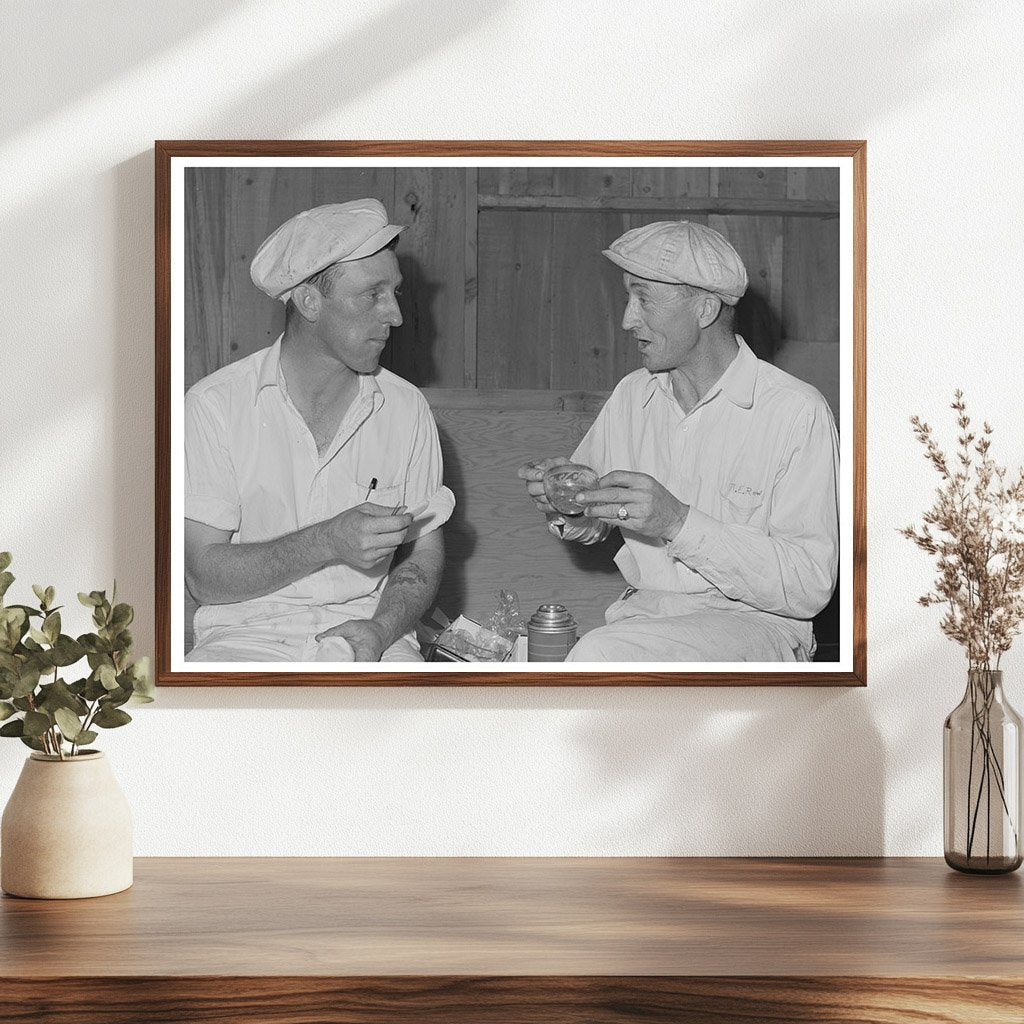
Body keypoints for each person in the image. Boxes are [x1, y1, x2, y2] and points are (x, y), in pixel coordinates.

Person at [518, 220, 839, 663]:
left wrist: (677, 522)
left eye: (644, 299)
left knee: (601, 656)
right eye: (628, 297)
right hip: (646, 617)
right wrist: (567, 500)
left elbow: (808, 587)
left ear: (705, 310)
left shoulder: (794, 411)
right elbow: (593, 523)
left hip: (757, 627)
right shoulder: (634, 394)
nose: (629, 319)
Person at [184, 199, 454, 663]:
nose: (395, 316)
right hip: (247, 635)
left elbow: (423, 555)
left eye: (395, 293)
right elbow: (203, 577)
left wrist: (381, 629)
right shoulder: (215, 405)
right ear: (310, 301)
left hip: (376, 635)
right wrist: (327, 539)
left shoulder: (406, 408)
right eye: (372, 294)